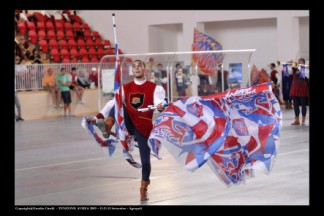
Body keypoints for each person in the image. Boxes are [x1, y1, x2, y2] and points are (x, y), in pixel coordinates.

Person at [90, 60, 166, 201]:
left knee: (145, 160)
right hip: (128, 122)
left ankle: (144, 187)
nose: (137, 68)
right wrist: (97, 116)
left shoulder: (154, 88)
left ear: (144, 70)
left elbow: (158, 102)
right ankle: (108, 125)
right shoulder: (125, 88)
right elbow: (111, 104)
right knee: (119, 102)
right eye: (134, 67)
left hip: (143, 126)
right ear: (132, 71)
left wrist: (160, 105)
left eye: (139, 66)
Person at [290, 58, 309, 125]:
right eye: (298, 61)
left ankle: (303, 120)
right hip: (295, 88)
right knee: (295, 105)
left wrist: (296, 68)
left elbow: (305, 76)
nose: (298, 62)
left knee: (303, 105)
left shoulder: (306, 69)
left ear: (303, 62)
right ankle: (297, 120)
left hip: (302, 88)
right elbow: (289, 73)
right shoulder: (295, 68)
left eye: (300, 61)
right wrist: (290, 66)